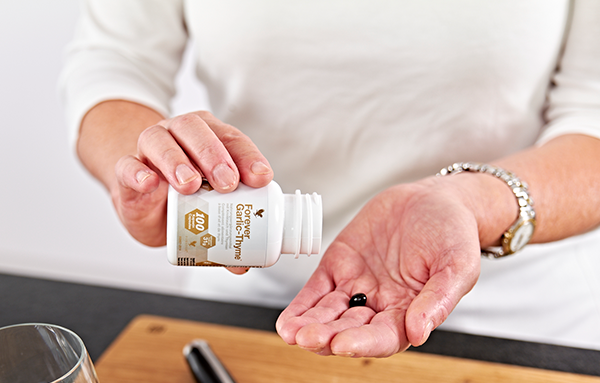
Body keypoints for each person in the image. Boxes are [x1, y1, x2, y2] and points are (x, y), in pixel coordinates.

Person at [60, 0, 600, 357]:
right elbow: (116, 60)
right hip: (249, 300)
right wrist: (145, 169)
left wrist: (474, 203)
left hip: (521, 321)